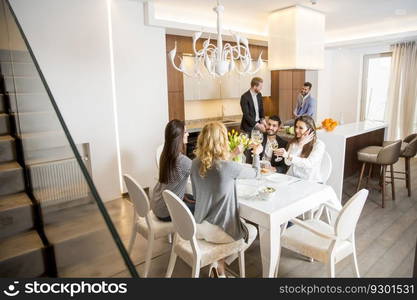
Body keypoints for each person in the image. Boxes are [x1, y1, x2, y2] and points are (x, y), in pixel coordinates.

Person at [191, 121, 261, 277]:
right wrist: (256, 153)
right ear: (223, 141)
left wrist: (233, 154)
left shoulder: (195, 163)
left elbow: (197, 195)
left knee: (231, 223)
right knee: (252, 230)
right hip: (218, 231)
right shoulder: (228, 167)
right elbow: (256, 173)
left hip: (199, 227)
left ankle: (219, 268)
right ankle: (219, 263)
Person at [151, 120, 195, 222]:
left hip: (157, 204)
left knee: (193, 198)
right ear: (178, 137)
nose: (188, 134)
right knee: (204, 207)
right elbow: (204, 172)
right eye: (185, 132)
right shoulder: (182, 161)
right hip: (166, 212)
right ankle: (191, 235)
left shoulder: (166, 155)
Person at [275, 115, 325, 182]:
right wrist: (299, 146)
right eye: (296, 127)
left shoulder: (319, 145)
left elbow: (309, 164)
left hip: (309, 181)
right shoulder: (294, 142)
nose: (296, 130)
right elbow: (287, 163)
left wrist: (288, 155)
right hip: (293, 178)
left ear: (310, 130)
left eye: (301, 128)